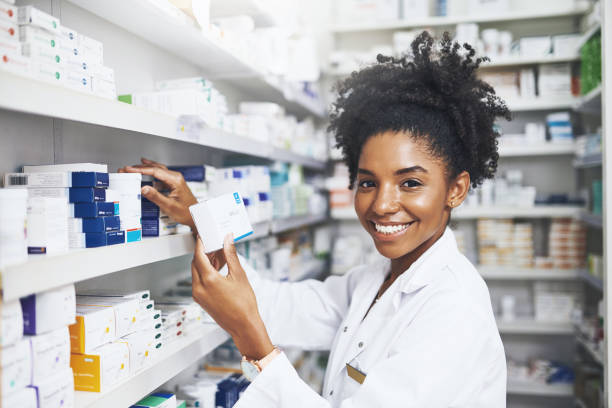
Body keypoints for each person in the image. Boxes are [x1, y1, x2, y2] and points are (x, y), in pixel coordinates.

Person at [120, 31, 511, 407]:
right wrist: (198, 216)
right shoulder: (377, 279)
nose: (382, 205)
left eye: (410, 183)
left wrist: (253, 342)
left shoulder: (454, 310)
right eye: (367, 183)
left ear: (456, 189)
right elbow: (280, 305)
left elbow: (258, 319)